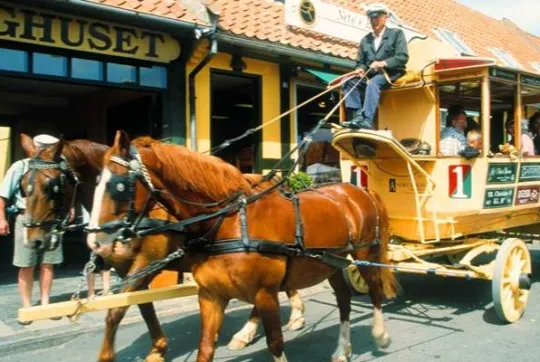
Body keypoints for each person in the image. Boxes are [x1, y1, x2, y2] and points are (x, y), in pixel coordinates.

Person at [0, 134, 63, 325]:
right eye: (43, 148)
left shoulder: (57, 167)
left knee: (48, 263)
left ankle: (45, 304)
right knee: (26, 264)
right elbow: (2, 195)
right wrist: (1, 219)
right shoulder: (20, 166)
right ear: (36, 148)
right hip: (26, 217)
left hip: (50, 219)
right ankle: (27, 307)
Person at [341, 3, 409, 131]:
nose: (374, 21)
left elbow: (402, 57)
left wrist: (383, 63)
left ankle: (367, 120)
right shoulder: (365, 40)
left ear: (385, 18)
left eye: (377, 17)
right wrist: (360, 68)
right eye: (371, 18)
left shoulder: (396, 34)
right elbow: (360, 62)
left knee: (373, 83)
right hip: (371, 74)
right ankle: (357, 117)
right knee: (349, 82)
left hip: (391, 73)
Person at [80, 207, 111, 298]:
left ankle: (106, 289)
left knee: (106, 260)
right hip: (90, 228)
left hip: (104, 227)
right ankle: (91, 291)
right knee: (91, 262)